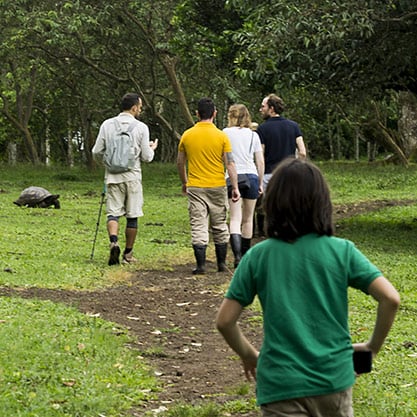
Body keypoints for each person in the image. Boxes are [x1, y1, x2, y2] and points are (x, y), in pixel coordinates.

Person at [216, 158, 400, 417]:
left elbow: (225, 321)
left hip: (280, 384)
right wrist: (372, 347)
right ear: (322, 203)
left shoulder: (258, 256)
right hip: (333, 380)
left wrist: (249, 355)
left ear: (273, 204)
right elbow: (390, 298)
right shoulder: (342, 251)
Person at [92, 93, 158, 266]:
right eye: (140, 106)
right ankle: (128, 254)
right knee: (132, 216)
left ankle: (114, 242)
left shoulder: (107, 124)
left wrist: (106, 164)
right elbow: (146, 157)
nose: (141, 109)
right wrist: (152, 148)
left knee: (113, 213)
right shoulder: (141, 127)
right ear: (134, 107)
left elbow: (96, 151)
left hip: (112, 177)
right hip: (133, 176)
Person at [177, 97, 240, 274]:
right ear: (215, 113)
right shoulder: (222, 136)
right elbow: (230, 164)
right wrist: (234, 187)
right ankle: (221, 264)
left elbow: (180, 163)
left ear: (197, 114)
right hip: (217, 185)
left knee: (198, 224)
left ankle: (201, 265)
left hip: (195, 185)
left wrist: (184, 182)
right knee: (219, 224)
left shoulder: (187, 135)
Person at [255, 93, 307, 236]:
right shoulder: (294, 126)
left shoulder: (262, 129)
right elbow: (302, 152)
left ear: (271, 108)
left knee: (267, 206)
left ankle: (265, 233)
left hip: (269, 174)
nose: (260, 110)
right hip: (290, 172)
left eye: (263, 107)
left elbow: (261, 155)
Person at [223, 104, 264, 268]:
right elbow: (260, 161)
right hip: (252, 175)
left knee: (234, 218)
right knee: (248, 219)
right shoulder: (254, 135)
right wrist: (260, 182)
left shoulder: (225, 133)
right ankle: (246, 256)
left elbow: (223, 158)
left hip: (233, 177)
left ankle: (237, 256)